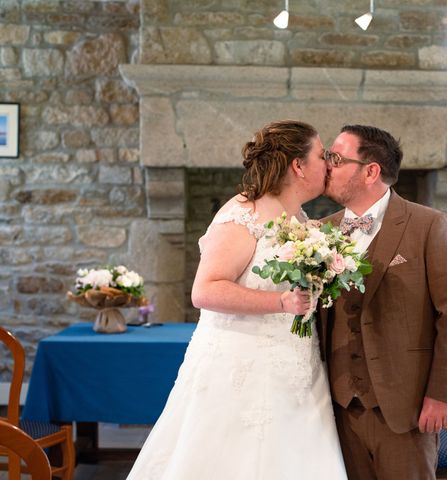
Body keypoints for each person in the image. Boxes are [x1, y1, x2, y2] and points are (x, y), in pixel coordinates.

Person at [127, 120, 348, 479]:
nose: (328, 163)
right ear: (298, 165)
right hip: (240, 365)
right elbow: (205, 290)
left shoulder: (301, 218)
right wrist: (280, 303)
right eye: (322, 155)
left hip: (295, 366)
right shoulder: (243, 213)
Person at [319, 124, 447, 480]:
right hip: (338, 408)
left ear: (371, 171)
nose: (327, 165)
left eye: (337, 158)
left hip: (406, 406)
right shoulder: (320, 231)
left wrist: (442, 395)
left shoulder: (429, 226)